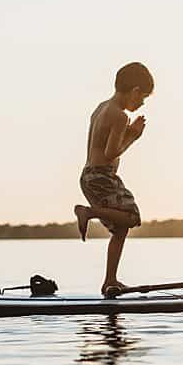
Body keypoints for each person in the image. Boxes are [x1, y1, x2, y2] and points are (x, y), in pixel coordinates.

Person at [74, 62, 153, 298]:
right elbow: (111, 152)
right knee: (132, 216)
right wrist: (133, 135)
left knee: (120, 229)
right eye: (143, 97)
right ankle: (89, 212)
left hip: (89, 175)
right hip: (101, 176)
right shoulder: (118, 116)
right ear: (135, 91)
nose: (142, 103)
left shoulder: (101, 108)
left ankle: (109, 281)